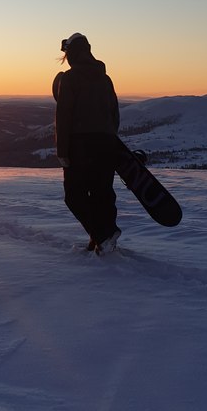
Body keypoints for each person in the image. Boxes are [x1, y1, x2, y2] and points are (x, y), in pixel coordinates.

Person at [53, 33, 122, 254]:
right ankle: (104, 236)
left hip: (79, 145)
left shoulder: (69, 79)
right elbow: (114, 115)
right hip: (106, 143)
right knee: (102, 193)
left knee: (74, 196)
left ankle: (103, 235)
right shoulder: (106, 79)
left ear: (71, 54)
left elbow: (64, 116)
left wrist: (62, 150)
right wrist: (109, 139)